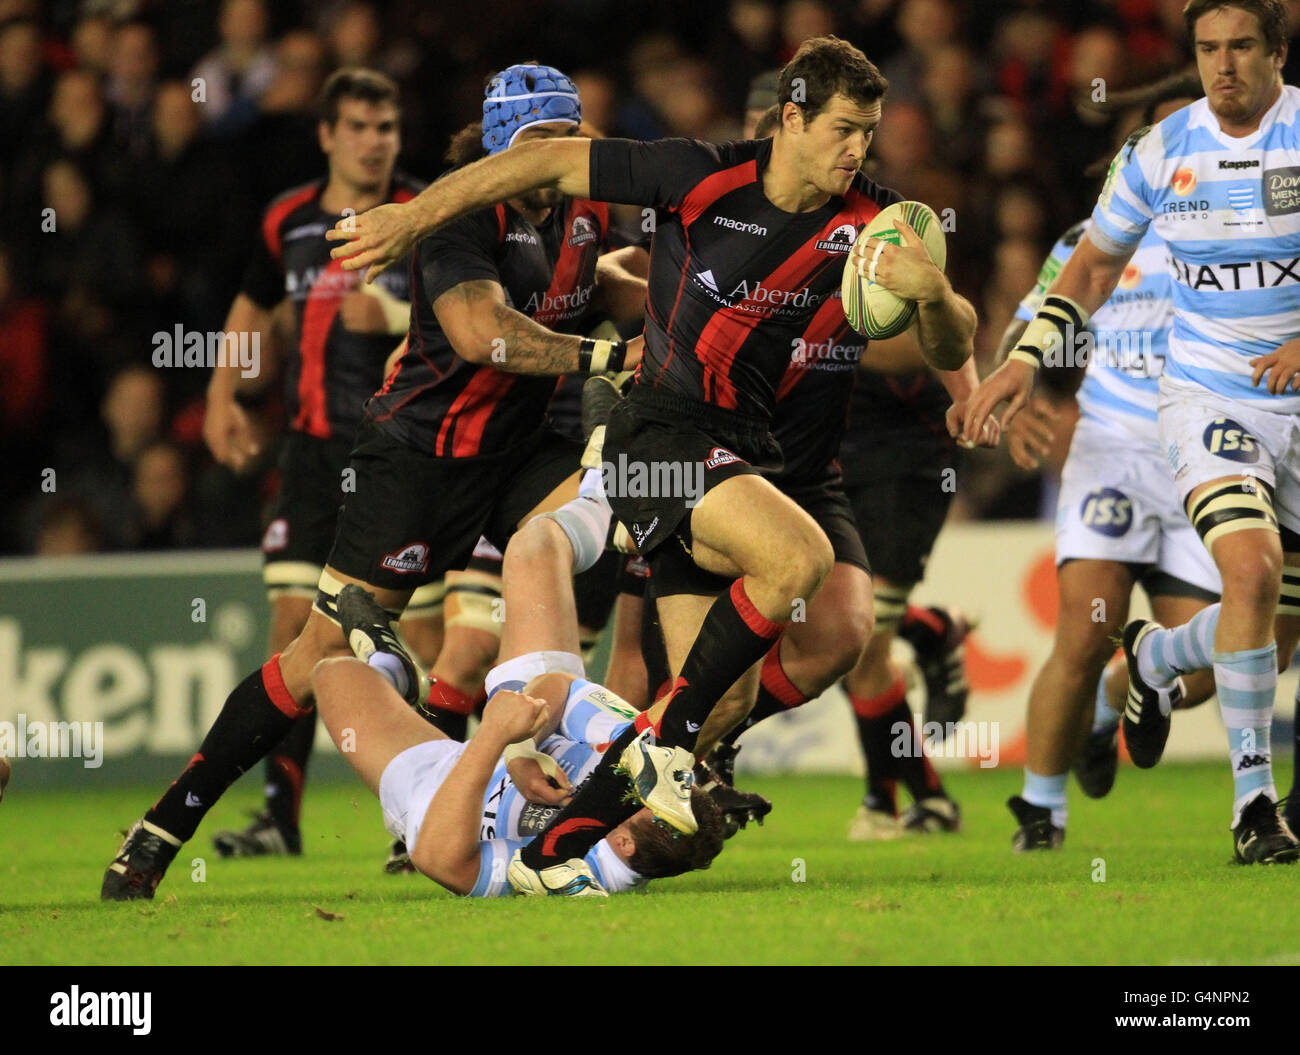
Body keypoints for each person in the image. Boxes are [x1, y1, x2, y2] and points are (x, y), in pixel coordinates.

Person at [326, 35, 977, 891]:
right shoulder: (696, 175)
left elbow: (947, 339)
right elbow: (549, 164)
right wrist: (411, 218)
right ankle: (644, 757)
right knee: (798, 562)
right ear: (792, 117)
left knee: (732, 704)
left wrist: (934, 294)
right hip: (656, 440)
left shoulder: (873, 222)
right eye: (845, 129)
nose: (859, 150)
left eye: (870, 131)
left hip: (745, 458)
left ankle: (552, 844)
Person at [102, 62, 641, 901]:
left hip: (514, 455)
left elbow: (596, 285)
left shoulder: (583, 213)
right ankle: (166, 824)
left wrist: (660, 307)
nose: (563, 154)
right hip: (415, 461)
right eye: (545, 140)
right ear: (505, 149)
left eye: (570, 136)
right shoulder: (457, 213)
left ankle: (551, 755)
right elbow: (477, 333)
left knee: (603, 521)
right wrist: (606, 356)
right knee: (309, 658)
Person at [963, 0, 1300, 863]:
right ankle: (1248, 807)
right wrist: (1024, 370)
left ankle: (1146, 664)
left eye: (1241, 47)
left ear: (1277, 52)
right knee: (1223, 578)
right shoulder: (1156, 159)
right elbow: (1083, 272)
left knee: (1268, 628)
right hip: (1187, 413)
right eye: (1208, 49)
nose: (1225, 64)